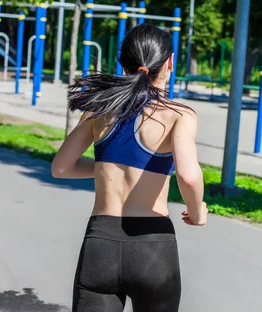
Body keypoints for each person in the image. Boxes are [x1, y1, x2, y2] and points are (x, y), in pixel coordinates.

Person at [51, 24, 207, 312]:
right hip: (153, 248)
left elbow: (61, 168)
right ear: (170, 62)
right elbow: (187, 175)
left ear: (123, 61)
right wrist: (197, 213)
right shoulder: (178, 115)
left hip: (100, 244)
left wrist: (105, 168)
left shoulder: (99, 109)